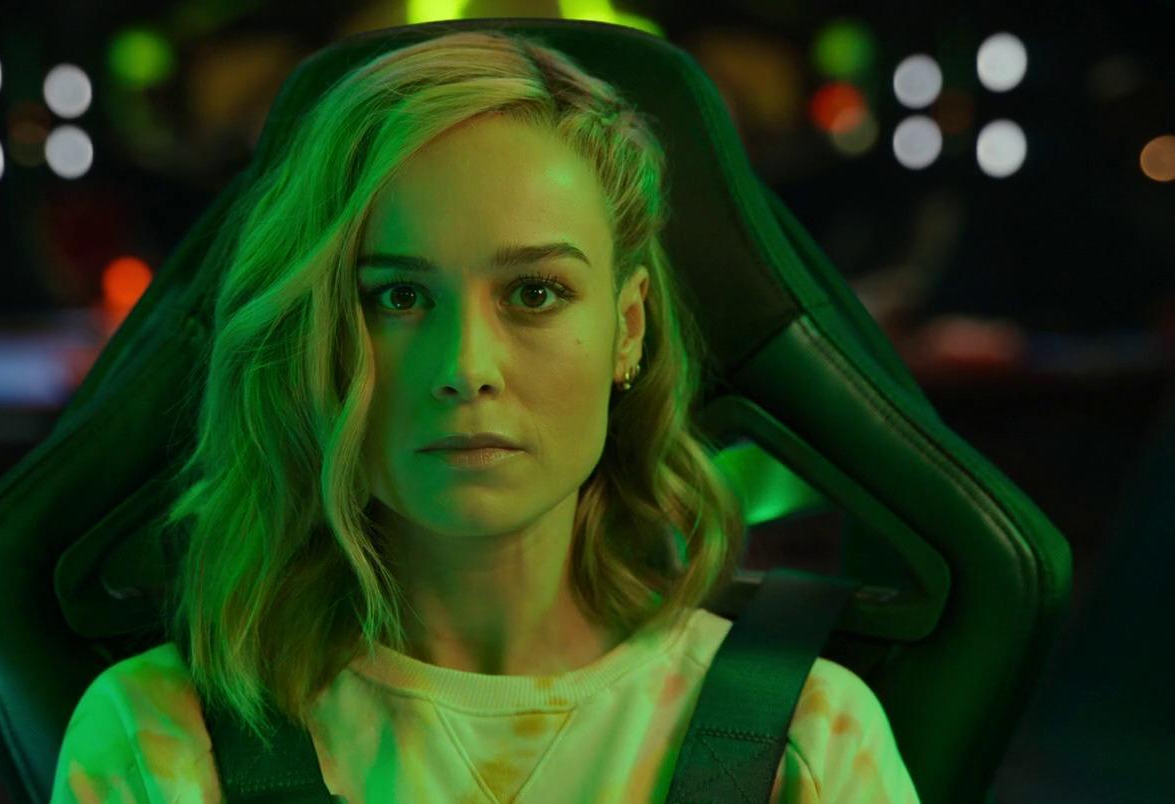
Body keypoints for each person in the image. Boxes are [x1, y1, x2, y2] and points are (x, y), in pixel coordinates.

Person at [51, 28, 919, 803]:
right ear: (317, 339)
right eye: (397, 297)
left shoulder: (807, 738)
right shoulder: (164, 740)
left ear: (627, 329)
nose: (466, 368)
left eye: (535, 293)